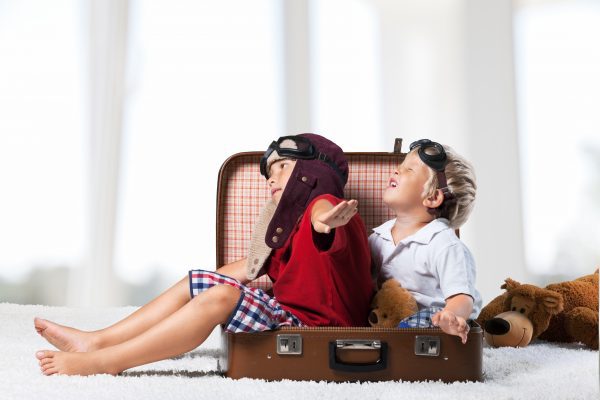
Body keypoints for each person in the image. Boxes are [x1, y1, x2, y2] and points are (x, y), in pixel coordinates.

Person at [34, 133, 373, 376]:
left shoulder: (324, 207)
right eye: (269, 175)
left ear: (313, 172)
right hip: (290, 314)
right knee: (201, 281)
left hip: (321, 329)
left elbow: (323, 214)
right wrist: (202, 286)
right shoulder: (286, 232)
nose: (271, 180)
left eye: (282, 167)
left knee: (220, 297)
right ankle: (97, 341)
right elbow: (245, 269)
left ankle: (108, 361)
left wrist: (325, 222)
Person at [369, 139, 482, 344]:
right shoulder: (377, 237)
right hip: (386, 321)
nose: (396, 171)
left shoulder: (444, 244)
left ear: (431, 197)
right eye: (399, 167)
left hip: (433, 325)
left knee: (419, 324)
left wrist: (451, 317)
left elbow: (462, 298)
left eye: (408, 170)